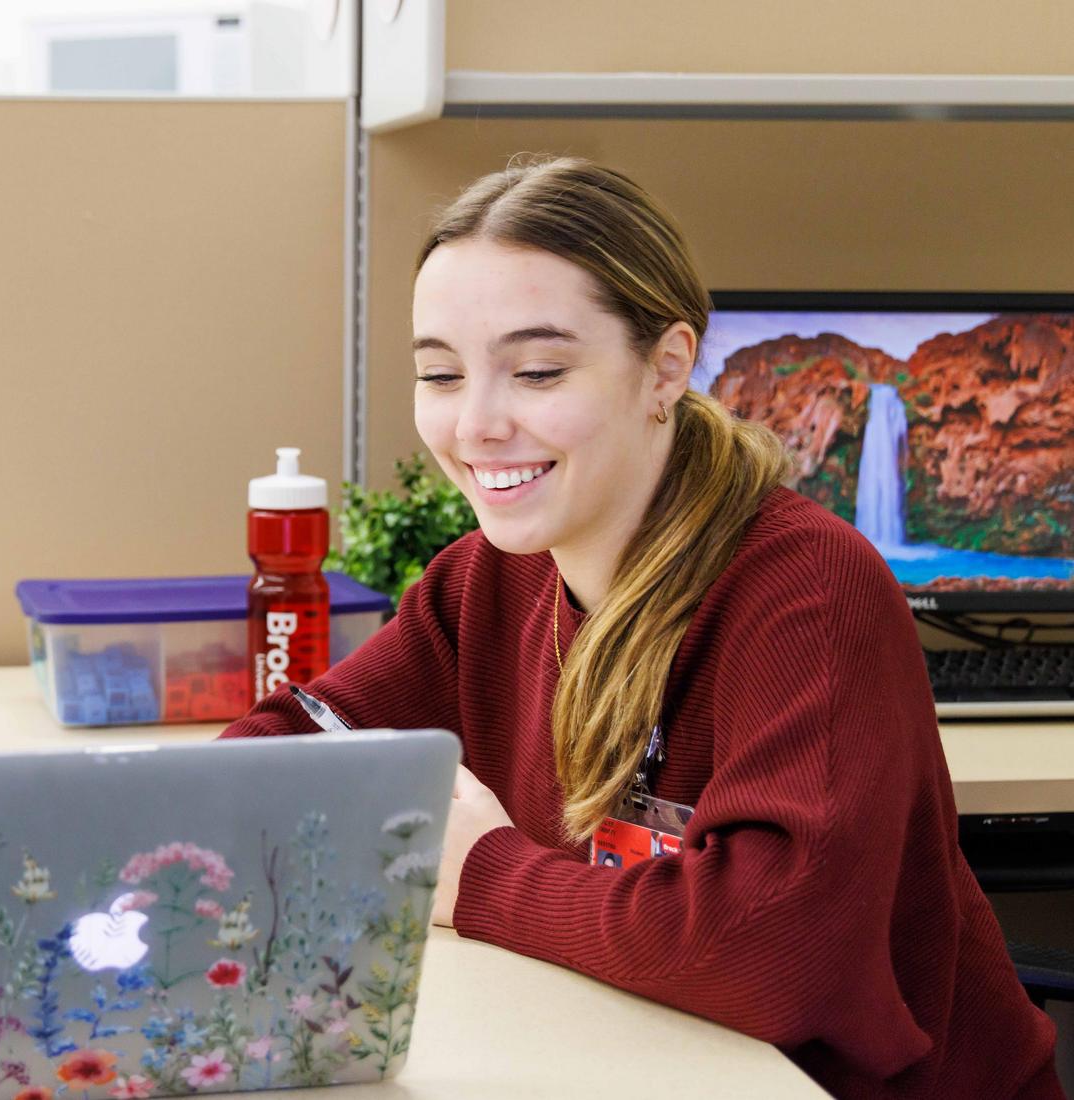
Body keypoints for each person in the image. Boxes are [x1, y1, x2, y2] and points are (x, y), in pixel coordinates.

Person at [221, 156, 1062, 1098]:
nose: (476, 424)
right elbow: (294, 744)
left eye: (538, 371)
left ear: (666, 367)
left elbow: (765, 947)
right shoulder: (484, 581)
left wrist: (483, 876)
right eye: (441, 375)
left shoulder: (807, 594)